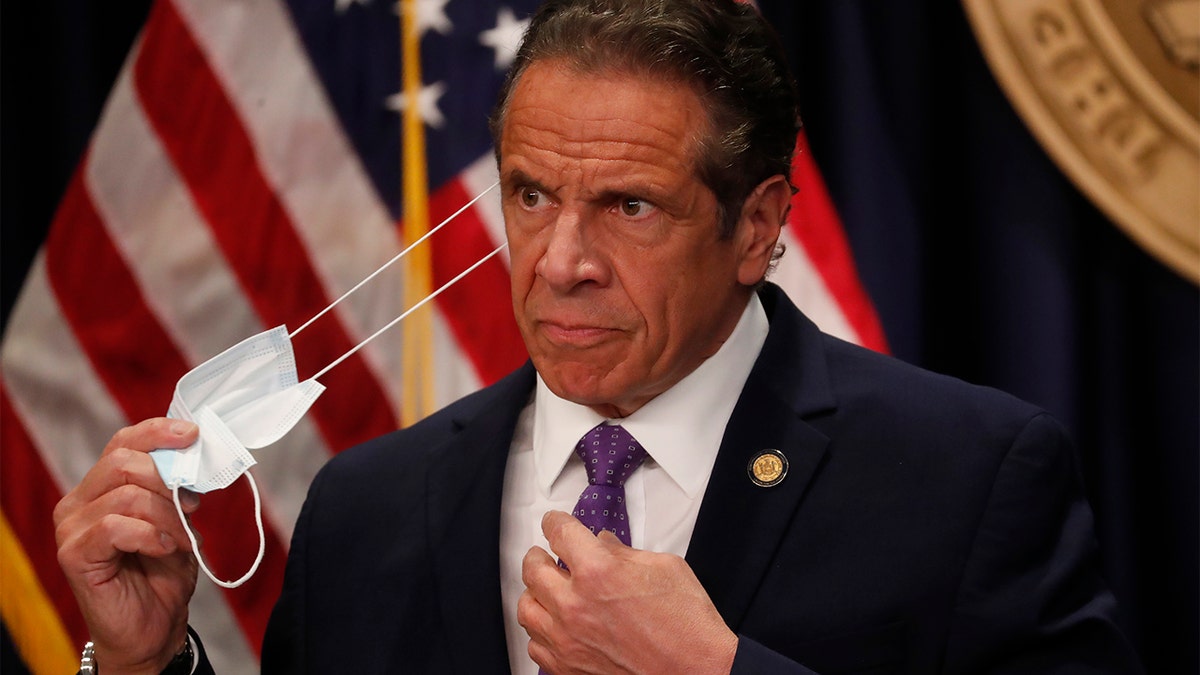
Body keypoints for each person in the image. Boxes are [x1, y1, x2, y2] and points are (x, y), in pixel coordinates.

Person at [53, 0, 1145, 673]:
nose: (560, 260)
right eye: (530, 196)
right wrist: (150, 668)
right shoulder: (369, 511)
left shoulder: (967, 478)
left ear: (757, 226)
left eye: (629, 206)